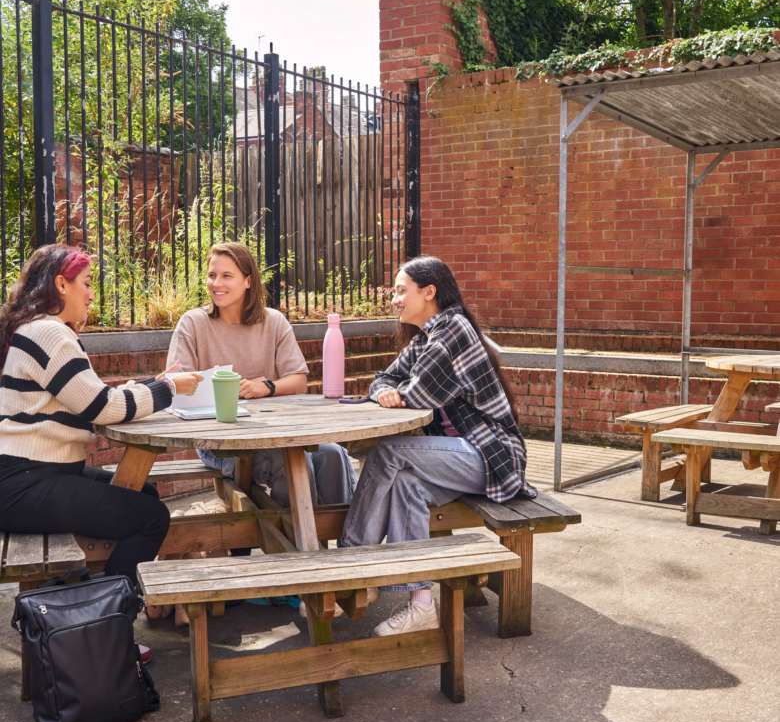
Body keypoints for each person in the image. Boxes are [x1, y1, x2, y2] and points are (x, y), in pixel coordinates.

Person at [339, 256, 538, 638]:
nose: (393, 299)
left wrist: (395, 393)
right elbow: (383, 379)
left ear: (428, 292)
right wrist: (385, 392)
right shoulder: (428, 337)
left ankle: (352, 563)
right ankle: (421, 605)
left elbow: (419, 394)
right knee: (404, 484)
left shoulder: (453, 329)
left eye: (401, 291)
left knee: (388, 452)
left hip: (492, 456)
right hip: (458, 456)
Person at [0, 244, 202, 590]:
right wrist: (167, 388)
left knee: (146, 495)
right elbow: (102, 408)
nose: (92, 295)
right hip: (26, 482)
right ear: (61, 285)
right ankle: (108, 618)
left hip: (32, 474)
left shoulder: (37, 328)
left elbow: (90, 397)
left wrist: (152, 384)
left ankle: (90, 600)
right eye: (87, 283)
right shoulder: (50, 333)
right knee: (151, 518)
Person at [166, 241, 356, 510]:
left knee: (334, 454)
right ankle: (298, 548)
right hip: (219, 443)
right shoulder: (193, 324)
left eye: (226, 276)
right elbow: (176, 387)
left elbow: (299, 380)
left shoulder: (273, 321)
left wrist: (266, 387)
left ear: (248, 281)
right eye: (212, 275)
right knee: (292, 466)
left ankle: (346, 542)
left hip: (277, 432)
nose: (216, 283)